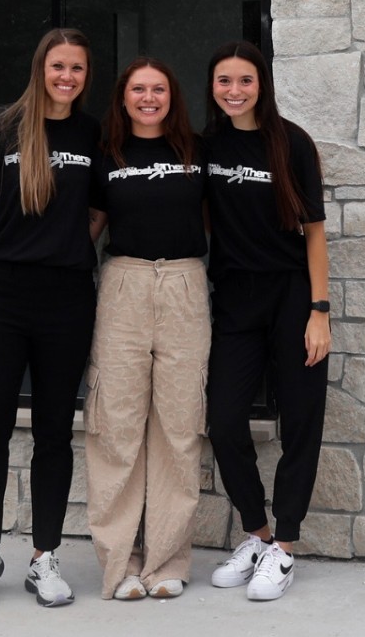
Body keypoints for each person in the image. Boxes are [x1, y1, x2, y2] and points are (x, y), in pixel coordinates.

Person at [0, 28, 102, 611]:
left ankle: (45, 557)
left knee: (54, 434)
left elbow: (97, 211)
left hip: (67, 299)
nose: (67, 77)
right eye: (58, 66)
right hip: (2, 297)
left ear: (87, 76)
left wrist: (66, 243)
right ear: (41, 67)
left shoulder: (92, 134)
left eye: (77, 68)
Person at [201, 41, 330, 602]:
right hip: (235, 299)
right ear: (212, 86)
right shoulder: (206, 147)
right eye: (224, 81)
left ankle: (286, 546)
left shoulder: (292, 142)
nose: (234, 91)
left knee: (301, 419)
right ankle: (257, 534)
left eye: (245, 81)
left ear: (262, 85)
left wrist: (319, 311)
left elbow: (315, 232)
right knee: (225, 420)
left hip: (292, 295)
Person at [84, 58, 211, 602]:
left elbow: (218, 218)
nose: (149, 97)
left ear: (172, 96)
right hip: (124, 284)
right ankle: (120, 565)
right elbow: (90, 225)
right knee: (116, 426)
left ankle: (166, 562)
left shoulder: (196, 152)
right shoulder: (106, 154)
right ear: (123, 97)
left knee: (179, 427)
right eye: (138, 89)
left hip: (184, 283)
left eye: (159, 89)